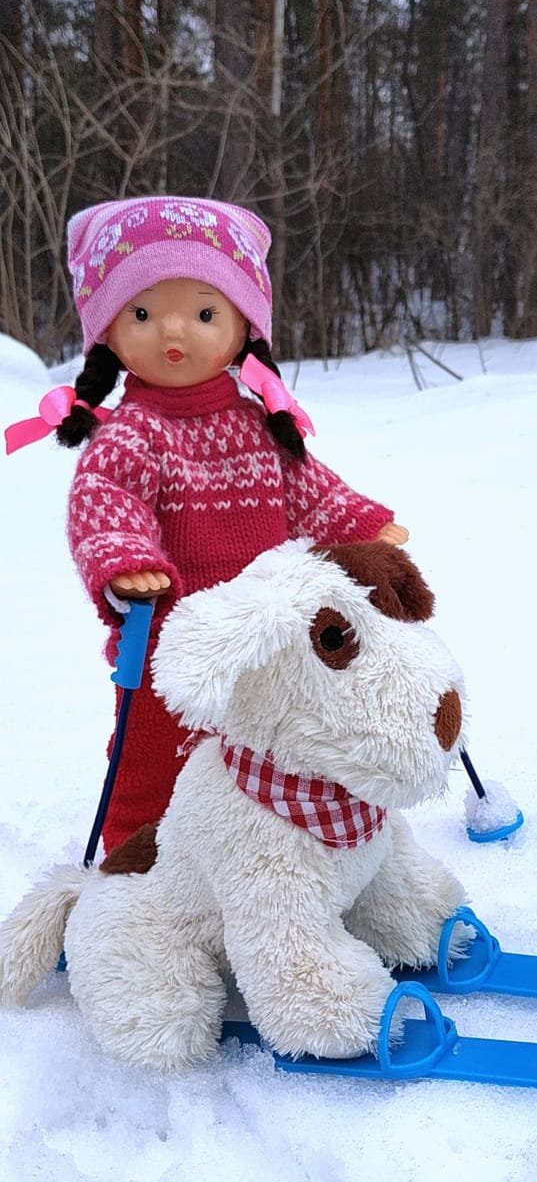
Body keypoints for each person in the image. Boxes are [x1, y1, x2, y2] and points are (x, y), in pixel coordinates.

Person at [9, 196, 407, 853]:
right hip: (175, 650)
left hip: (272, 641)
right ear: (107, 330)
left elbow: (308, 491)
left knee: (282, 749)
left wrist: (358, 526)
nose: (175, 333)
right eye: (142, 313)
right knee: (154, 764)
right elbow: (104, 506)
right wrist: (124, 560)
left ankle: (287, 857)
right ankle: (138, 869)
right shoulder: (131, 436)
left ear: (242, 325)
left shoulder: (259, 428)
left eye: (202, 312)